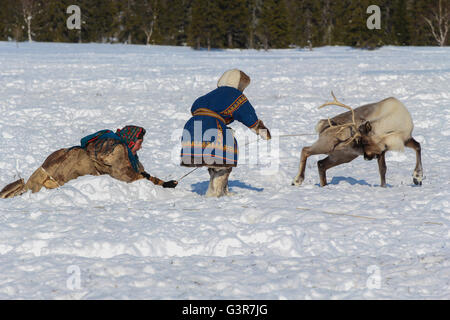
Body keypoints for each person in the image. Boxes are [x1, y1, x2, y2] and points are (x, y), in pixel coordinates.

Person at [0, 125, 177, 199]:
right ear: (131, 141)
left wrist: (161, 183)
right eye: (139, 144)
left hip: (61, 159)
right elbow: (125, 175)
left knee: (29, 190)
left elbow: (139, 172)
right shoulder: (117, 149)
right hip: (62, 169)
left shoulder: (124, 151)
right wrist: (147, 183)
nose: (140, 148)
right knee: (30, 193)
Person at [180, 69, 271, 197]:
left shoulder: (207, 96)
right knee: (224, 159)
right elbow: (247, 115)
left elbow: (194, 108)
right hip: (211, 128)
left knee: (214, 160)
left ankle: (220, 189)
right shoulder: (235, 95)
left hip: (191, 128)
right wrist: (261, 131)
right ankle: (215, 193)